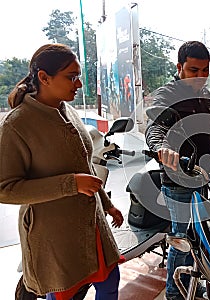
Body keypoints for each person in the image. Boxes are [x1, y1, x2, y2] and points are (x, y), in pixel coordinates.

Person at [0, 44, 124, 300]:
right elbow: (5, 189)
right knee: (65, 292)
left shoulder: (69, 111)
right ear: (44, 77)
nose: (78, 84)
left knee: (110, 281)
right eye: (71, 77)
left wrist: (108, 205)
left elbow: (85, 166)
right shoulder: (16, 125)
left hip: (93, 224)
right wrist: (70, 184)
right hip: (54, 235)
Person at [146, 41, 210, 300]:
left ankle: (193, 282)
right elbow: (156, 126)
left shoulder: (204, 96)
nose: (200, 77)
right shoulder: (167, 95)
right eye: (193, 70)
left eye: (205, 70)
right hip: (178, 182)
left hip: (203, 179)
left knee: (200, 237)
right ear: (179, 67)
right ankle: (174, 293)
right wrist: (162, 147)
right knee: (182, 240)